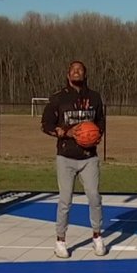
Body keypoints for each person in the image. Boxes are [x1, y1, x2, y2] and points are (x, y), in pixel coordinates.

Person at [40, 60, 106, 259]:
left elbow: (101, 121)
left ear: (85, 75)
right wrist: (64, 132)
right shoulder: (58, 98)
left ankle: (97, 236)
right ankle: (60, 240)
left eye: (80, 70)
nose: (77, 72)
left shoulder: (94, 97)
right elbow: (45, 123)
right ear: (68, 75)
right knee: (65, 200)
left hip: (88, 157)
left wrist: (97, 133)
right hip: (66, 156)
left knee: (94, 197)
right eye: (73, 70)